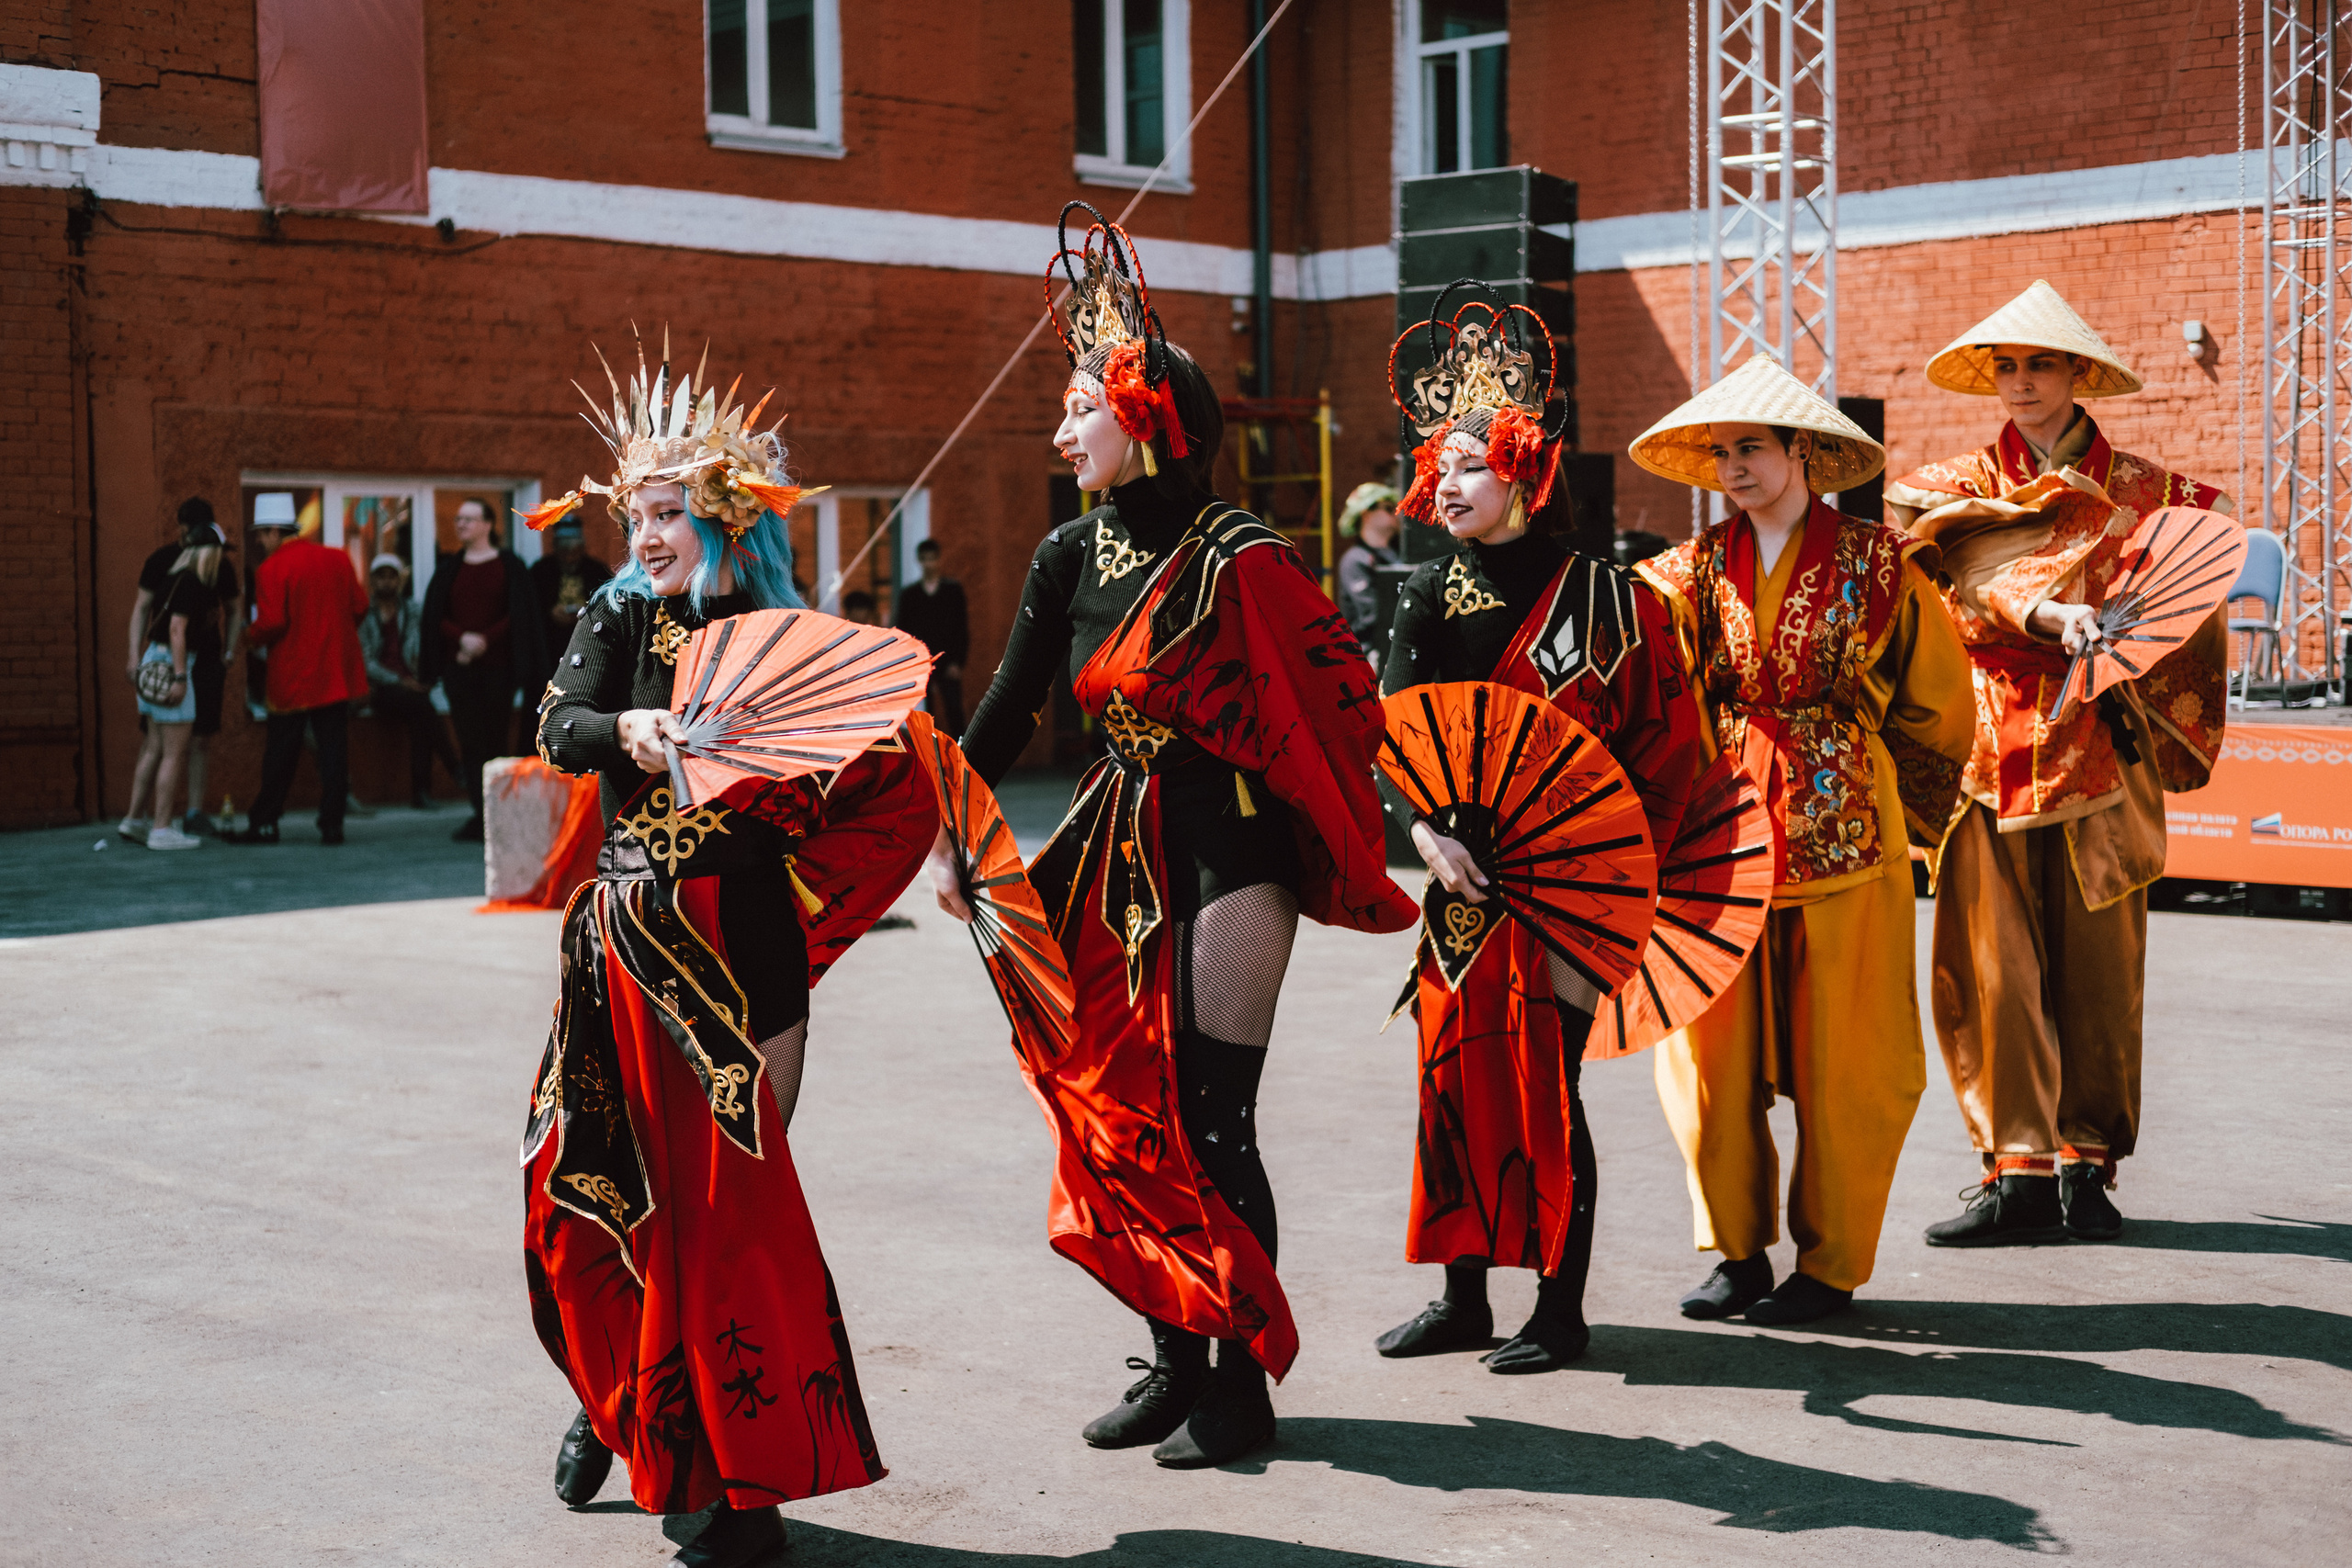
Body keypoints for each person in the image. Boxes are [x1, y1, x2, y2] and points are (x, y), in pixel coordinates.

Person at [933, 205, 1416, 1469]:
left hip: (1231, 850)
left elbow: (1338, 700)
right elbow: (1005, 709)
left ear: (1144, 416)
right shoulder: (1064, 552)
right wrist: (947, 828)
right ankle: (1173, 1356)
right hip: (1113, 851)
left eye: (1077, 408)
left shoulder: (1242, 554)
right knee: (1122, 1113)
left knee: (1211, 1119)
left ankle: (1239, 1381)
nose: (1060, 432)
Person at [525, 350, 935, 1567]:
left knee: (731, 1220)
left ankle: (742, 1485)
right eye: (635, 516)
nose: (646, 535)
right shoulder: (618, 615)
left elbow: (876, 781)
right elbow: (554, 727)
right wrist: (628, 728)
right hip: (630, 939)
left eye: (667, 513)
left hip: (750, 946)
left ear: (725, 518)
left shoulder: (787, 643)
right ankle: (620, 1408)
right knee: (612, 1198)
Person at [1371, 291, 1704, 1371]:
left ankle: (1560, 1308)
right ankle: (1461, 1295)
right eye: (1439, 466)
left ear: (1524, 472)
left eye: (1470, 465)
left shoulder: (1608, 597)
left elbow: (1663, 743)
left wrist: (1623, 863)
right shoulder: (1425, 593)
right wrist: (1422, 836)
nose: (1446, 484)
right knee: (1450, 1084)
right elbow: (1388, 737)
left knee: (1546, 1090)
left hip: (1570, 879)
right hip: (1458, 874)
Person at [1882, 281, 2233, 1246]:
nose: (2021, 381)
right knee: (1987, 970)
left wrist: (2138, 663)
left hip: (2103, 747)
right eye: (2006, 366)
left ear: (2078, 373)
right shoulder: (1946, 494)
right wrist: (2043, 613)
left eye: (2039, 363)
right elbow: (1941, 584)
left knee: (2102, 972)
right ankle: (2017, 1170)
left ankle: (2087, 1162)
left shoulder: (2154, 497)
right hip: (1987, 748)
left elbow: (2194, 602)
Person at [1627, 355, 1974, 1325]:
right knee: (1705, 1058)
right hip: (1719, 837)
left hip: (1848, 836)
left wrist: (1900, 811)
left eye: (1750, 447)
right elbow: (1650, 682)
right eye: (1720, 452)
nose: (1732, 467)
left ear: (1803, 452)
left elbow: (1940, 709)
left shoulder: (1884, 563)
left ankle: (1830, 1267)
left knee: (1851, 1063)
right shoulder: (1686, 570)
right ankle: (1737, 1253)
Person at [226, 492, 369, 847]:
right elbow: (359, 606)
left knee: (280, 753)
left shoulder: (271, 569)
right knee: (334, 751)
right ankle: (332, 825)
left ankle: (265, 823)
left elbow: (272, 622)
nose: (260, 543)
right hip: (333, 673)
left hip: (292, 676)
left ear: (275, 531)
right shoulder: (337, 558)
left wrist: (247, 637)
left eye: (262, 535)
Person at [422, 496, 545, 842]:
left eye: (468, 519)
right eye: (458, 519)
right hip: (460, 671)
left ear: (487, 525)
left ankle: (500, 815)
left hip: (498, 672)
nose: (460, 524)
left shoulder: (509, 566)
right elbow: (435, 615)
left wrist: (484, 640)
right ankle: (480, 816)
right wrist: (462, 638)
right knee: (470, 745)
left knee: (495, 744)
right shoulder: (449, 568)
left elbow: (518, 614)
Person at [124, 498, 240, 838]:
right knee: (167, 748)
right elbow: (155, 617)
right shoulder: (170, 565)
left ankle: (144, 818)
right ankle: (160, 826)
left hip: (195, 659)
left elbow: (234, 608)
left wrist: (229, 650)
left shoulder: (213, 566)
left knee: (176, 742)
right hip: (176, 662)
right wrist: (138, 658)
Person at [357, 553, 463, 808]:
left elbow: (426, 646)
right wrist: (400, 681)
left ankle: (422, 793)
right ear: (372, 580)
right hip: (380, 688)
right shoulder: (365, 614)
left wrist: (423, 677)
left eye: (391, 576)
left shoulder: (412, 610)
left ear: (399, 580)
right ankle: (453, 769)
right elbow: (366, 661)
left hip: (411, 687)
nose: (386, 582)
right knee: (422, 708)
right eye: (381, 576)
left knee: (420, 717)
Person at [891, 536, 969, 731]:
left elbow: (961, 628)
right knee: (924, 713)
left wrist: (957, 661)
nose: (929, 564)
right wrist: (910, 663)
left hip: (948, 660)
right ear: (919, 561)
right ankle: (928, 750)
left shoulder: (952, 591)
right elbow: (904, 631)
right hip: (922, 661)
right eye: (925, 559)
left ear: (938, 559)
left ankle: (961, 749)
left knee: (954, 710)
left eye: (932, 559)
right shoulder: (910, 595)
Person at [528, 516, 614, 691]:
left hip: (587, 645)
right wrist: (550, 612)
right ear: (555, 547)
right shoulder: (540, 571)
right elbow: (530, 611)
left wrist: (587, 614)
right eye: (564, 549)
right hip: (549, 648)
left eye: (574, 549)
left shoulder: (598, 571)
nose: (569, 555)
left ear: (582, 547)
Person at [1334, 480, 1403, 665]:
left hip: (1394, 650)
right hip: (1371, 657)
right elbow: (1372, 615)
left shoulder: (1397, 555)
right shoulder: (1354, 560)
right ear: (1366, 513)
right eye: (1389, 508)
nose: (1397, 513)